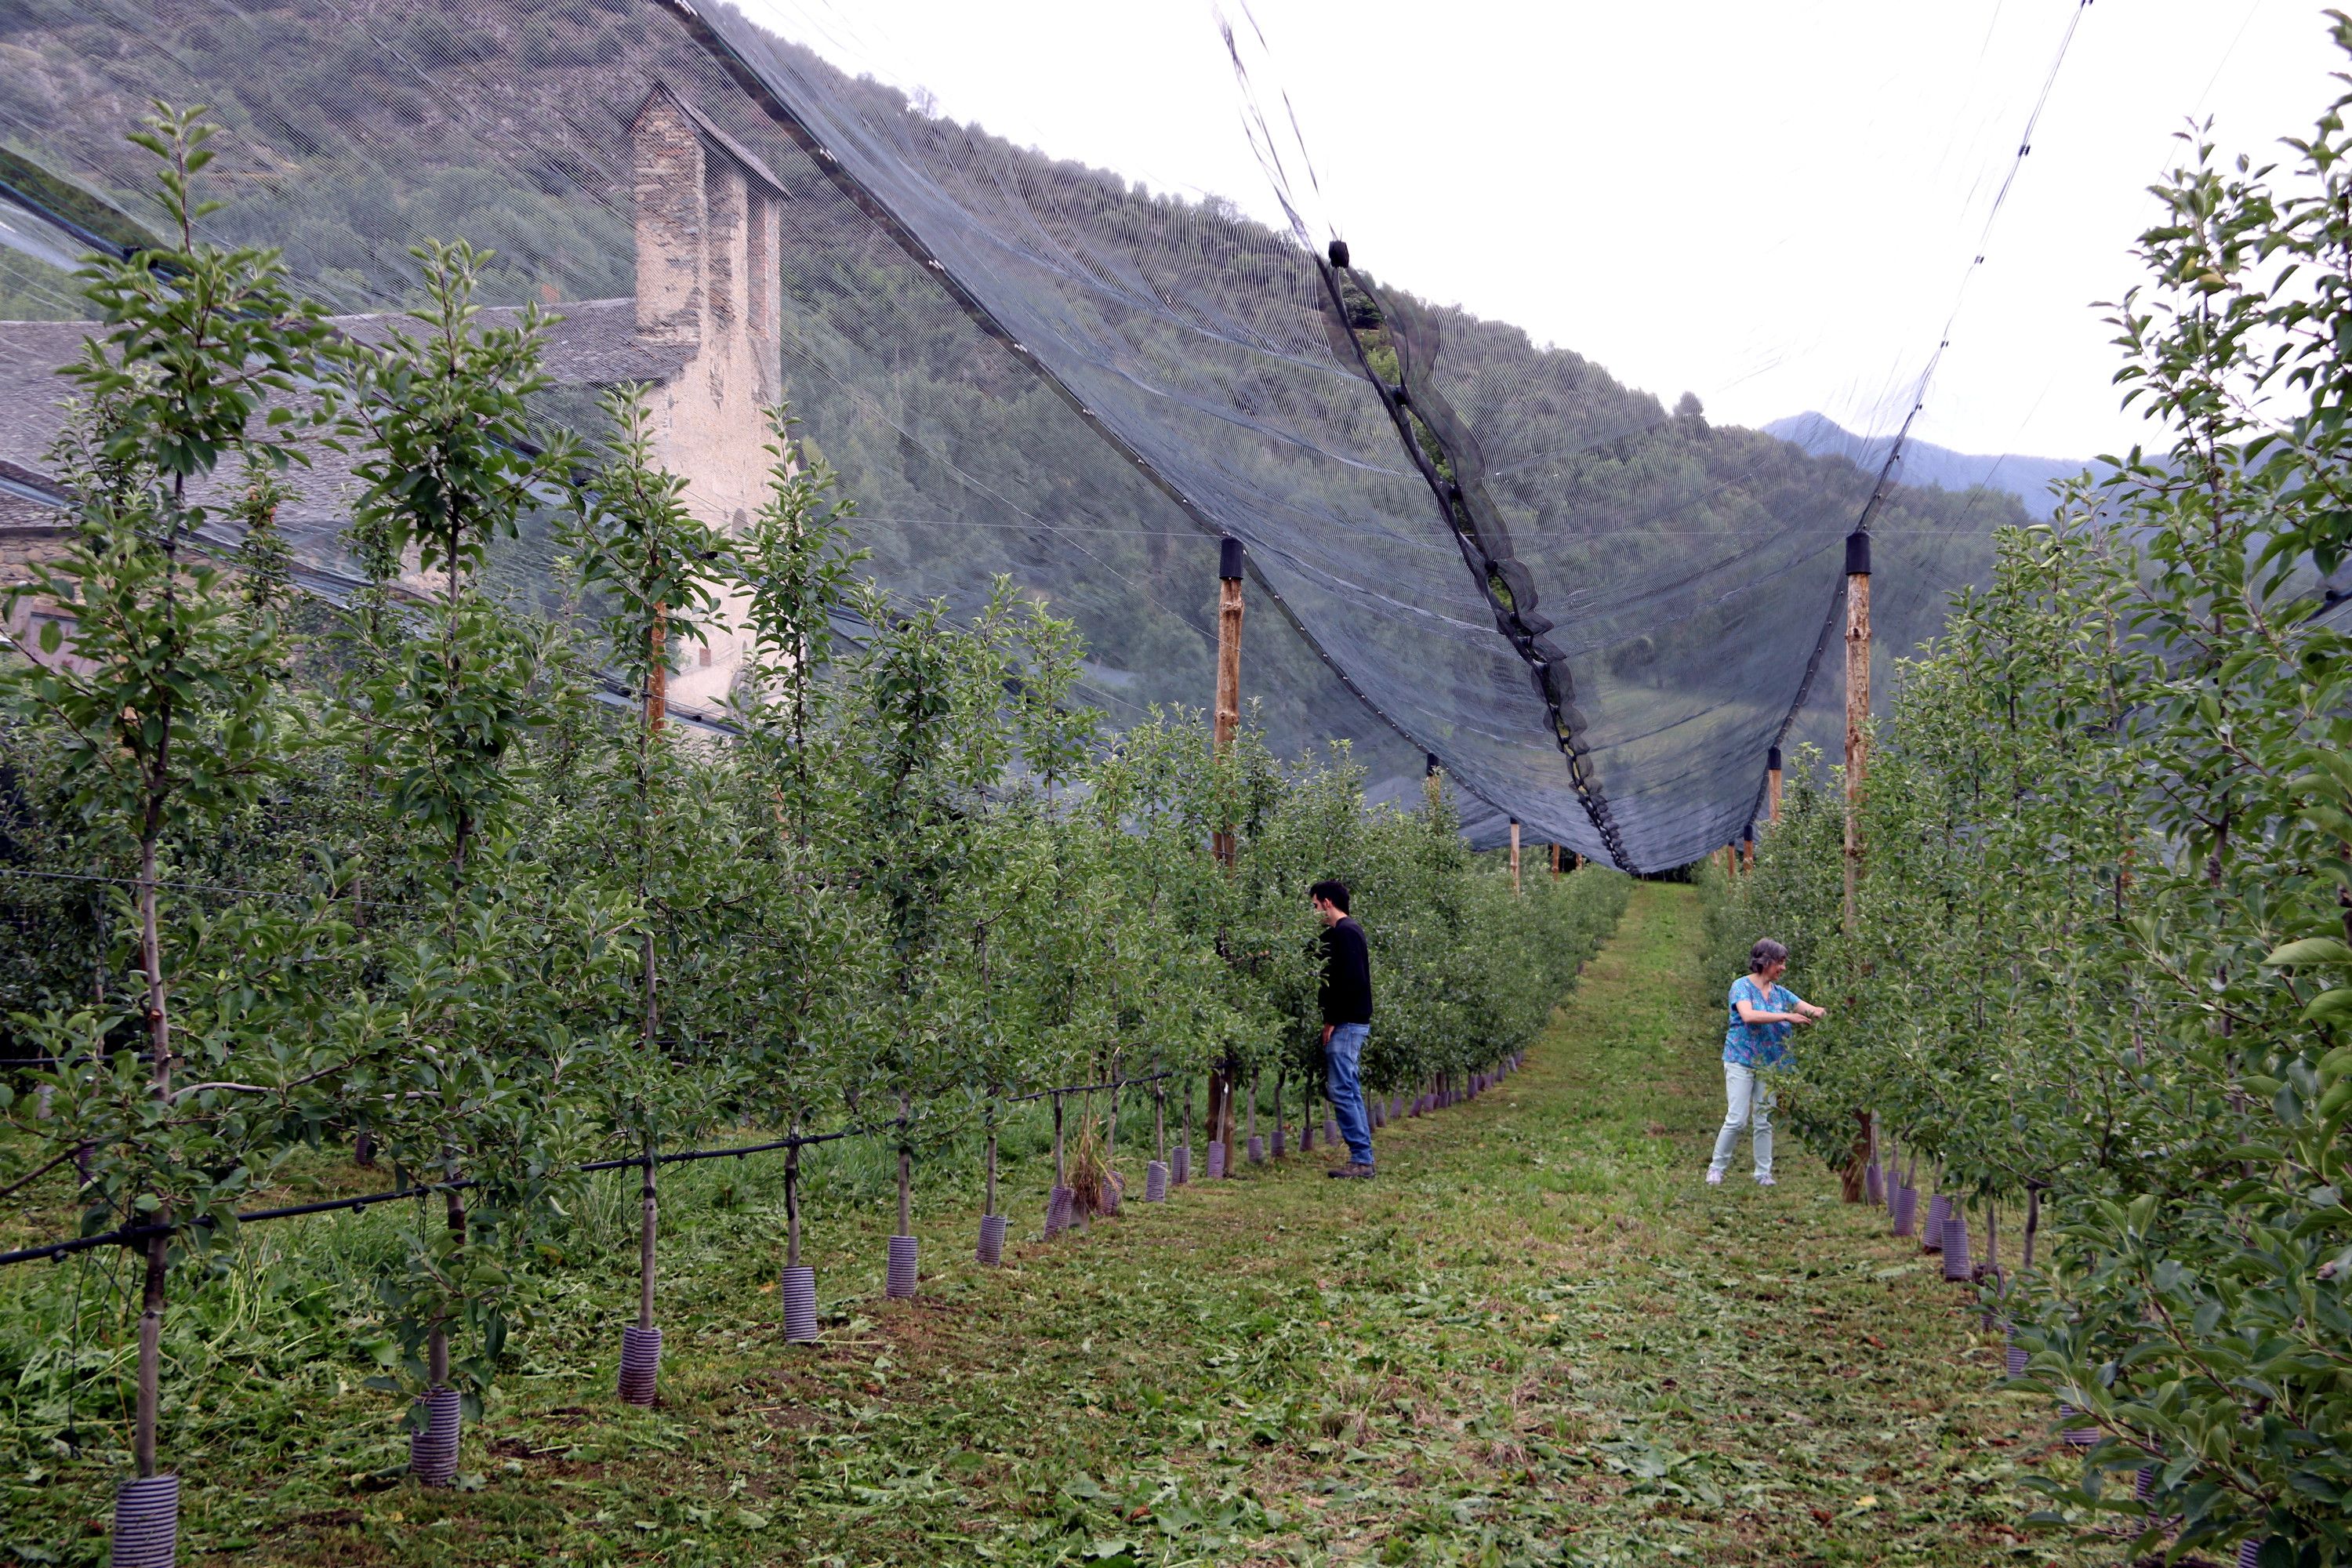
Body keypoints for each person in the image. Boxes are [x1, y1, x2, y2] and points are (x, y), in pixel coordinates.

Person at [1708, 938, 1824, 1187]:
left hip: (1771, 1065)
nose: (1783, 968)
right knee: (1737, 1119)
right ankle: (1716, 1168)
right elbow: (1748, 1015)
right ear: (1765, 961)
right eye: (1780, 963)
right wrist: (1786, 1016)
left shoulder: (1782, 994)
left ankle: (1763, 1173)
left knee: (1764, 1120)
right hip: (1741, 1059)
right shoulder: (1741, 987)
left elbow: (1813, 1010)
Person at [1310, 879, 1374, 1178]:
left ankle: (1361, 1160)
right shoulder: (1340, 933)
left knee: (1342, 1090)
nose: (1314, 913)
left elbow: (1353, 981)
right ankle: (1362, 1157)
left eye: (1314, 906)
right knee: (1349, 1088)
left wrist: (1333, 1018)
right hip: (1349, 1022)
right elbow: (1308, 950)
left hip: (1348, 1023)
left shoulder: (1347, 933)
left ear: (1327, 902)